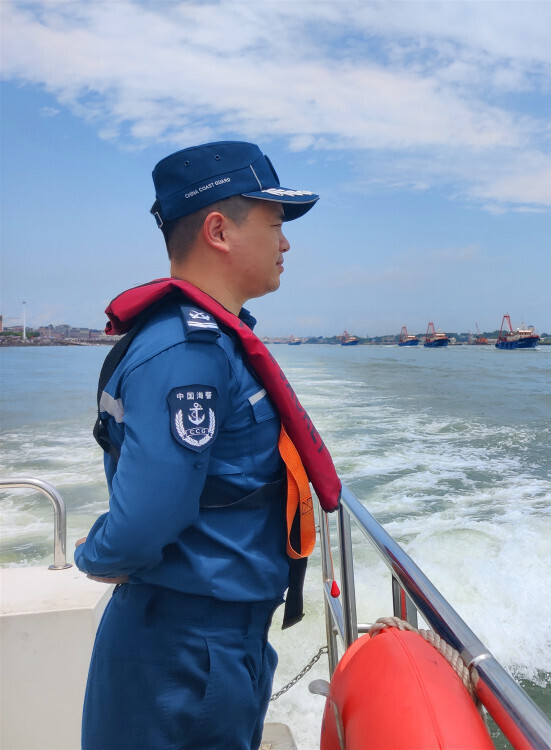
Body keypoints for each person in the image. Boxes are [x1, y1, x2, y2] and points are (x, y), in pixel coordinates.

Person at [75, 141, 340, 749]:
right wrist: (93, 556)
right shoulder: (187, 353)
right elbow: (145, 522)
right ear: (219, 230)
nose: (286, 243)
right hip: (184, 651)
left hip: (222, 638)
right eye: (275, 224)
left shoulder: (211, 342)